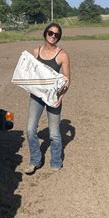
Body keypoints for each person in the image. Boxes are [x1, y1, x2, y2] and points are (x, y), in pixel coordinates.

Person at [24, 22, 70, 174]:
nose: (53, 36)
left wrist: (61, 97)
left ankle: (56, 160)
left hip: (53, 98)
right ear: (45, 33)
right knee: (30, 129)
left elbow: (67, 80)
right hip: (37, 96)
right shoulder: (36, 51)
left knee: (54, 133)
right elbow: (31, 73)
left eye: (56, 34)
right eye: (50, 33)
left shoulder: (62, 55)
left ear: (59, 37)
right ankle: (35, 161)